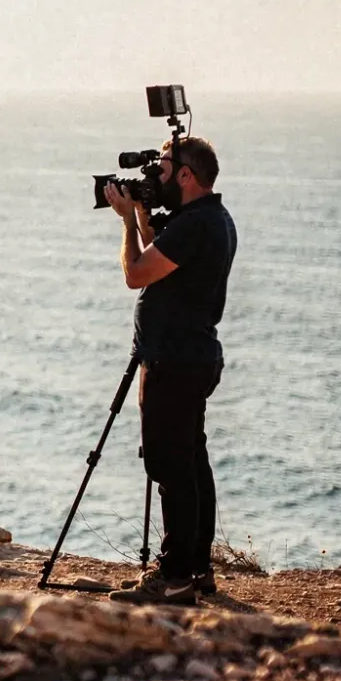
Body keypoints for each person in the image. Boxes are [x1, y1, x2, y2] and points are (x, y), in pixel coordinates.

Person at [103, 135, 237, 605]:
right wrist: (141, 214)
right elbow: (165, 259)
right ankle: (197, 569)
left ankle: (175, 577)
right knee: (192, 461)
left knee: (170, 465)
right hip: (191, 354)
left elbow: (137, 273)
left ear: (186, 175)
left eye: (160, 170)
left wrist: (125, 223)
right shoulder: (209, 220)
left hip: (173, 359)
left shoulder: (196, 224)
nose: (153, 179)